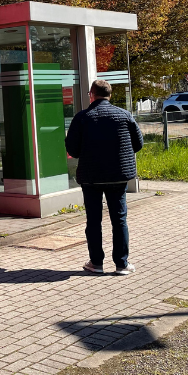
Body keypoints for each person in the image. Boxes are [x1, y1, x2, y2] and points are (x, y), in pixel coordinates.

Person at [64, 79, 144, 275]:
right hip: (118, 175)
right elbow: (138, 144)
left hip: (91, 177)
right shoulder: (125, 115)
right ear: (110, 95)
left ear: (91, 94)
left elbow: (72, 150)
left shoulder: (82, 118)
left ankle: (96, 263)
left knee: (93, 220)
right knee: (119, 219)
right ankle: (122, 264)